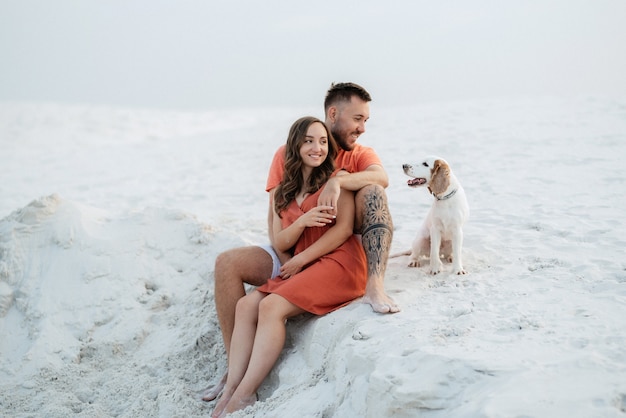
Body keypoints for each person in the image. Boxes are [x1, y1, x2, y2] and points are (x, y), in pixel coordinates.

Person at [202, 82, 397, 402]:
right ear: (334, 114)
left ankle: (375, 283)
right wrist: (287, 262)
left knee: (373, 192)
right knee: (228, 265)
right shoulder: (286, 155)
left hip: (333, 253)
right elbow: (275, 224)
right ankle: (234, 368)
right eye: (358, 119)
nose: (362, 128)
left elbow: (381, 180)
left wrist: (338, 180)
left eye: (366, 121)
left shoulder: (357, 155)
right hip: (290, 248)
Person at [211, 116, 367, 417]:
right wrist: (304, 222)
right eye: (309, 140)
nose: (317, 147)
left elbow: (344, 229)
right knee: (246, 306)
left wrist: (301, 260)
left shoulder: (338, 179)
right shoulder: (284, 189)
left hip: (339, 261)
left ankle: (244, 395)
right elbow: (280, 241)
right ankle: (232, 385)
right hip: (305, 262)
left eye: (322, 141)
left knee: (271, 308)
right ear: (295, 145)